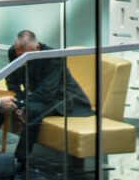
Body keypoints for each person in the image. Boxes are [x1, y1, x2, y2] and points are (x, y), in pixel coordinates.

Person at [7, 30, 92, 169]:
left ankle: (20, 158)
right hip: (38, 96)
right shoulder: (13, 52)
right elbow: (12, 81)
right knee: (3, 104)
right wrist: (19, 103)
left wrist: (23, 105)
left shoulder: (53, 56)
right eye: (19, 56)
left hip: (62, 98)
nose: (23, 60)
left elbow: (47, 92)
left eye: (27, 56)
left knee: (34, 110)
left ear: (37, 48)